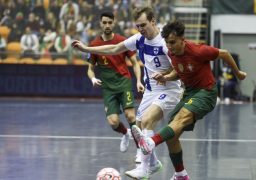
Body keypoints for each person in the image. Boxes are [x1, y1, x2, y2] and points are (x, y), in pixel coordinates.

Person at [72, 7, 183, 179]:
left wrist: (166, 76)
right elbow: (114, 48)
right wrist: (87, 49)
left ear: (153, 21)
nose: (140, 29)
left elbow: (179, 69)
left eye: (144, 25)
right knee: (137, 127)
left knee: (147, 121)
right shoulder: (139, 39)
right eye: (138, 26)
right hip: (151, 90)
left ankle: (145, 168)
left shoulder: (165, 43)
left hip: (169, 89)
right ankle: (153, 163)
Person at [131, 20, 247, 180]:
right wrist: (165, 77)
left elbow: (225, 53)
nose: (169, 46)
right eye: (167, 43)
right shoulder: (172, 53)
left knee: (180, 118)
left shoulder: (198, 50)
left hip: (206, 92)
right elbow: (178, 72)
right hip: (189, 93)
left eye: (172, 42)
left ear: (182, 39)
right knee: (172, 134)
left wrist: (238, 73)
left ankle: (150, 142)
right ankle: (180, 174)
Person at [85, 11, 144, 153]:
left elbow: (135, 63)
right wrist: (92, 78)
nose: (107, 25)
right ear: (100, 23)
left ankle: (140, 150)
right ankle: (125, 133)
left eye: (109, 22)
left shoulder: (123, 41)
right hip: (108, 88)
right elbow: (90, 69)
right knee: (113, 122)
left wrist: (138, 81)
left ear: (114, 23)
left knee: (130, 116)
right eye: (104, 22)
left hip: (123, 83)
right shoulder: (95, 45)